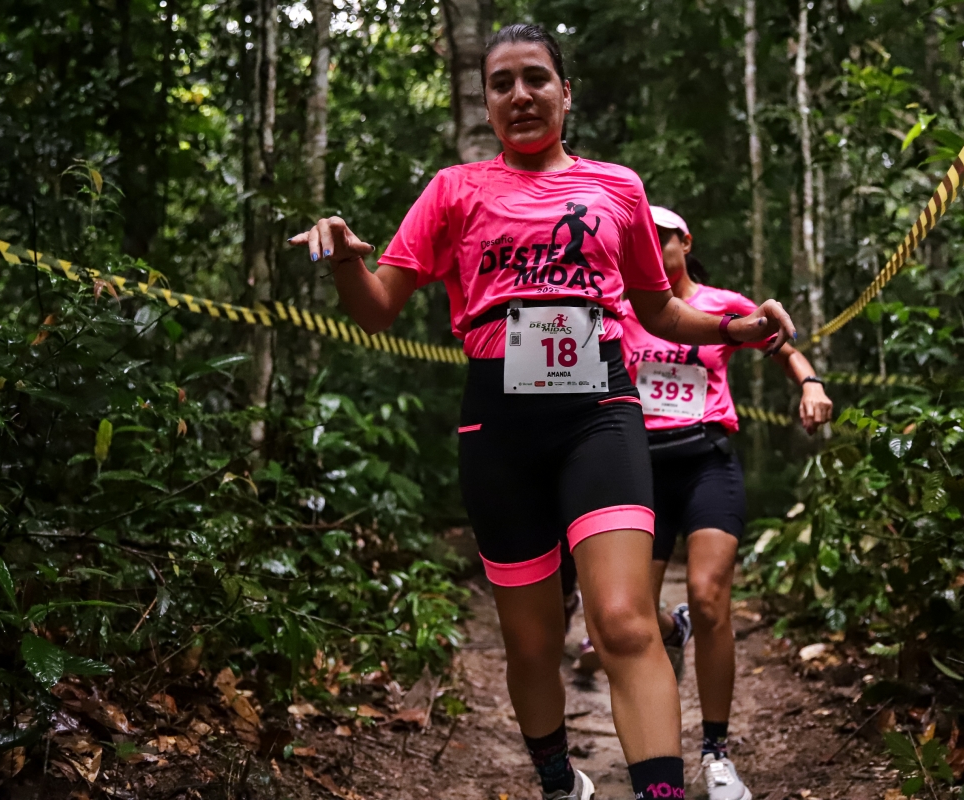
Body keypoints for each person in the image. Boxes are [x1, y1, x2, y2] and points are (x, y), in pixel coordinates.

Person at [290, 25, 797, 800]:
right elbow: (378, 309)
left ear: (566, 92)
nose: (520, 95)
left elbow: (658, 309)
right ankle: (560, 781)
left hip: (601, 409)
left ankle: (660, 792)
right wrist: (343, 261)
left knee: (624, 619)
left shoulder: (618, 187)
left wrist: (735, 330)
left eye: (536, 78)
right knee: (531, 644)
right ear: (486, 102)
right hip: (499, 422)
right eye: (502, 83)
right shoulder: (453, 189)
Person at [576, 207, 833, 800]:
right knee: (632, 614)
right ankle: (675, 630)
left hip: (706, 463)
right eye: (639, 240)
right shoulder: (623, 306)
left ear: (684, 242)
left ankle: (716, 753)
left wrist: (810, 383)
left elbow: (779, 344)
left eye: (659, 239)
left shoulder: (721, 305)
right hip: (639, 469)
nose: (649, 248)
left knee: (710, 596)